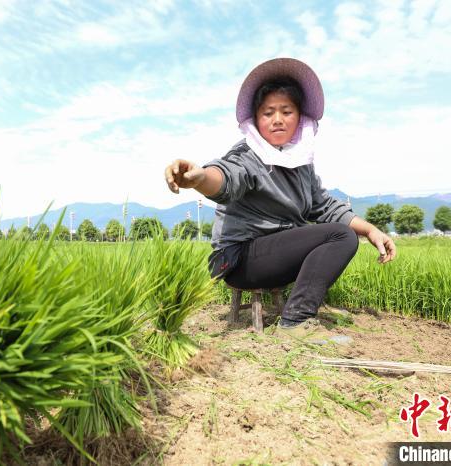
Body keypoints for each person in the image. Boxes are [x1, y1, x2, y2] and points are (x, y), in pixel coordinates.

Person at [163, 57, 396, 335]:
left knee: (340, 233)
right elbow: (227, 178)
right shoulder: (248, 155)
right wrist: (199, 177)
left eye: (286, 111)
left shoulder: (300, 162)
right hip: (238, 258)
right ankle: (295, 322)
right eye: (268, 112)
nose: (277, 120)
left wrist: (371, 231)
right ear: (256, 119)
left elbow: (323, 205)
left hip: (273, 254)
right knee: (340, 236)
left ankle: (296, 313)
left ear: (299, 118)